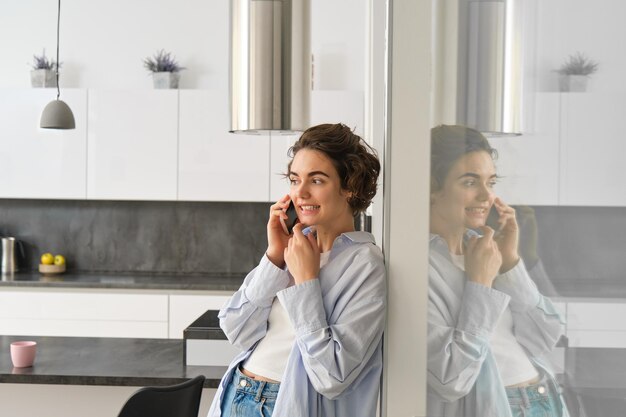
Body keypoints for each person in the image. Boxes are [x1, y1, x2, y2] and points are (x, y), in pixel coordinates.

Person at [208, 123, 386, 417]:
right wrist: (274, 258)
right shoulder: (294, 248)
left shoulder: (364, 264)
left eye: (316, 180)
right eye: (294, 180)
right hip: (236, 395)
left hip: (283, 404)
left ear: (350, 188)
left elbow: (333, 375)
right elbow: (236, 330)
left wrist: (306, 281)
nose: (300, 192)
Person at [427, 125, 569, 417]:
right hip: (502, 406)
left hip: (546, 400)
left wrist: (509, 263)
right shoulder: (421, 267)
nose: (486, 196)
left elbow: (545, 337)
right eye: (469, 182)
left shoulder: (483, 250)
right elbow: (450, 379)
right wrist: (479, 285)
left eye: (490, 183)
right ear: (431, 187)